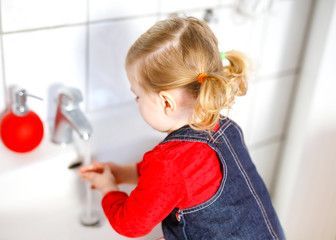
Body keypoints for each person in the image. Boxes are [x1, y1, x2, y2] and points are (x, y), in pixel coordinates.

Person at [79, 16, 285, 239]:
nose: (136, 101)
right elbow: (183, 182)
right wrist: (126, 173)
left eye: (137, 95)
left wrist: (107, 187)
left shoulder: (169, 162)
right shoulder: (224, 127)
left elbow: (130, 224)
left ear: (166, 102)